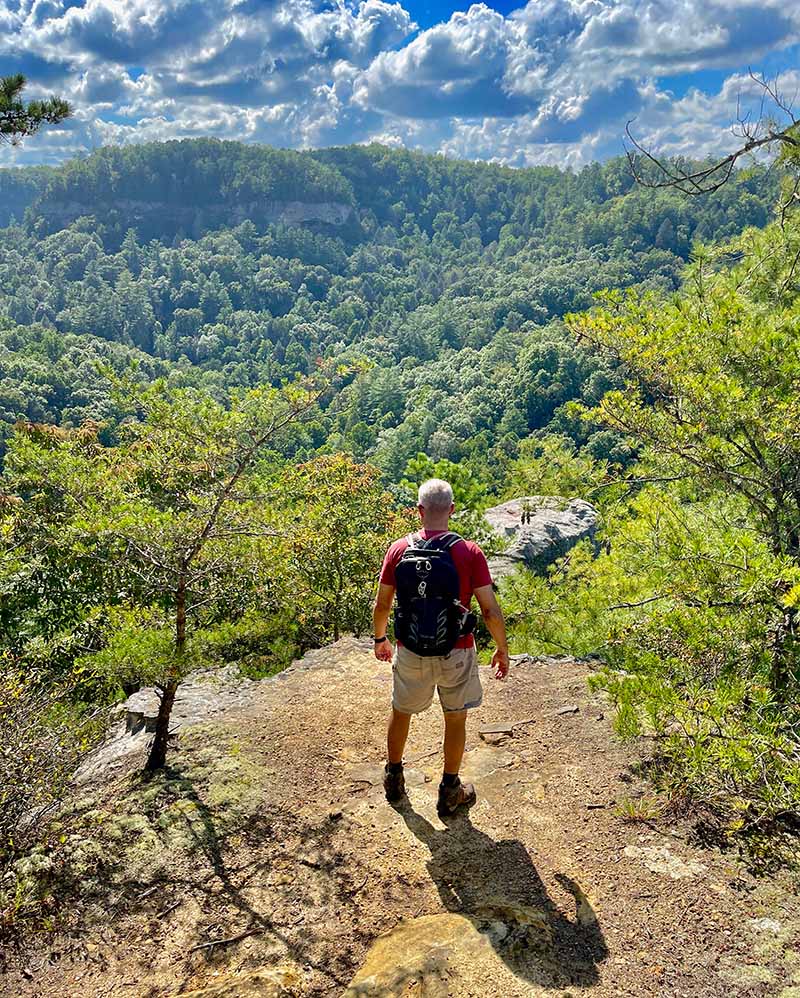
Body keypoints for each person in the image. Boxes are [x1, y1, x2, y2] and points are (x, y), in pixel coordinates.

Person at [372, 478, 510, 816]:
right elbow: (490, 610)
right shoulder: (468, 551)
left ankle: (393, 776)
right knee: (455, 717)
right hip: (457, 649)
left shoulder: (398, 549)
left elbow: (382, 604)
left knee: (400, 710)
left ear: (419, 510)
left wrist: (380, 639)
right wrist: (502, 648)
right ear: (451, 509)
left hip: (411, 649)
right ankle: (450, 790)